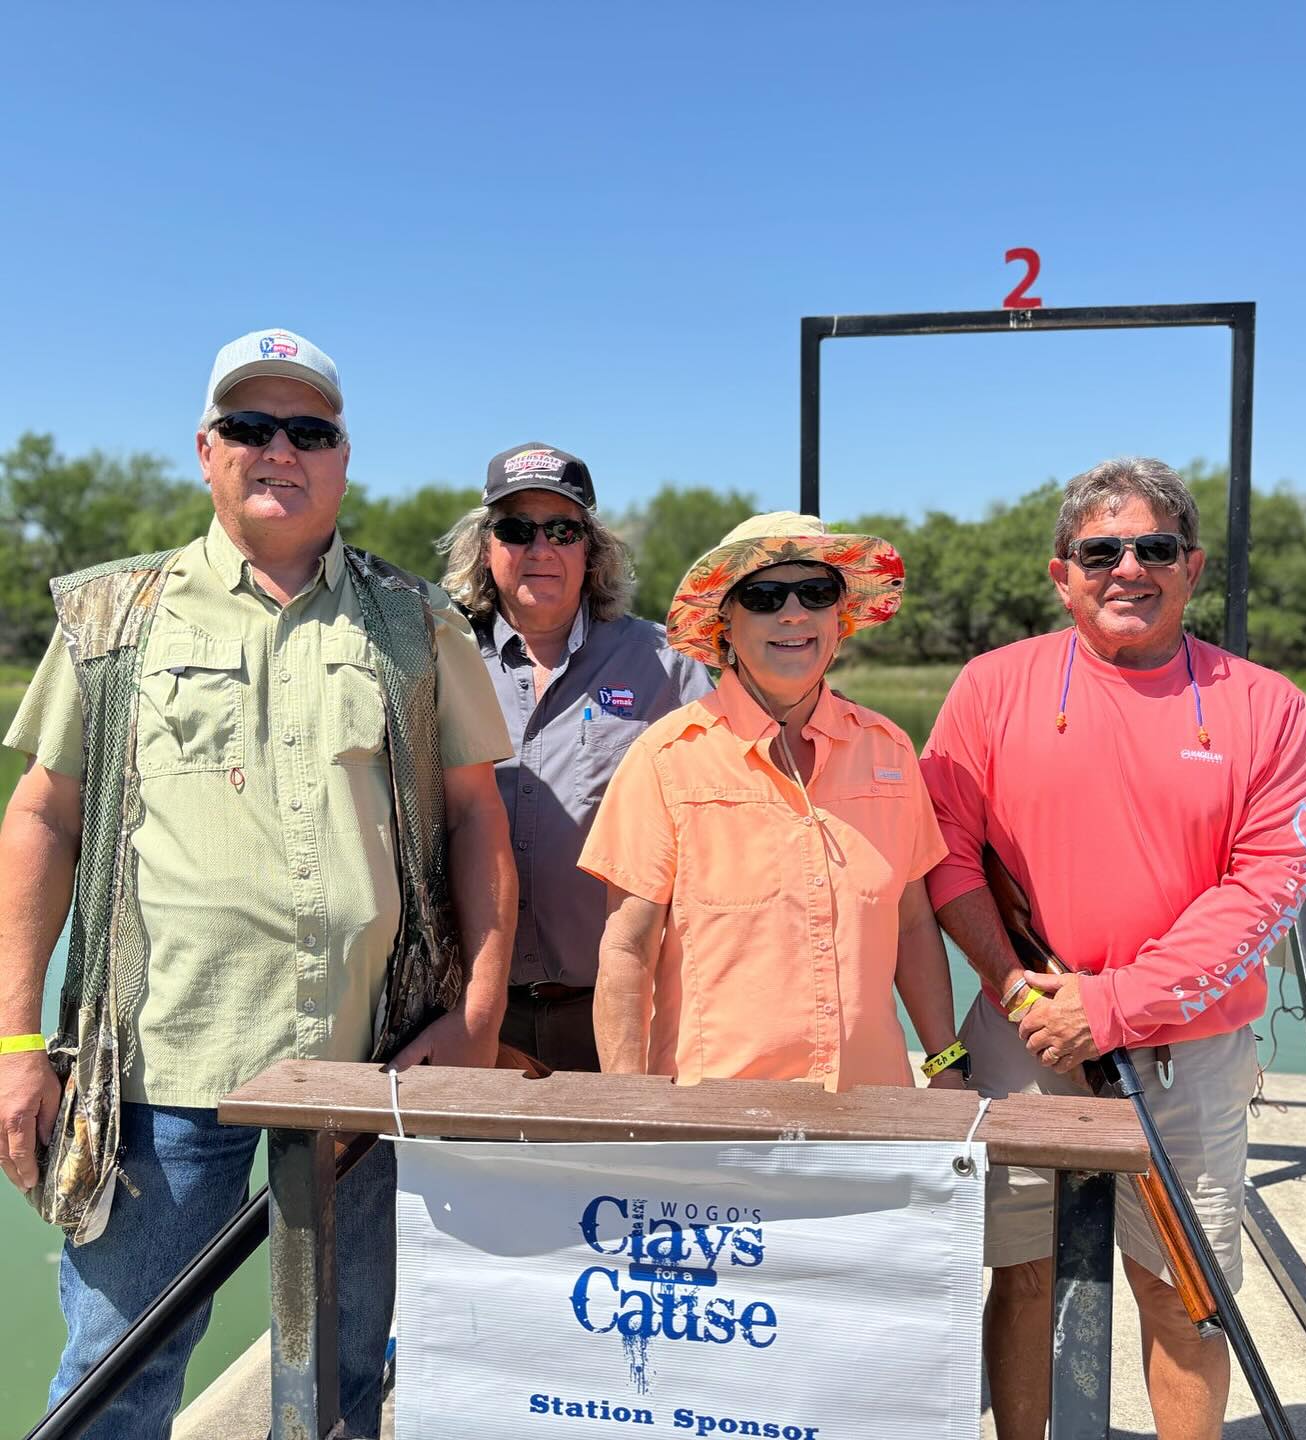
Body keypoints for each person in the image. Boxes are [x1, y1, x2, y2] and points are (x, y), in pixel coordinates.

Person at [0, 328, 518, 1439]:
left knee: (339, 1379)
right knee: (115, 1377)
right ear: (205, 451)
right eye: (249, 426)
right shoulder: (116, 617)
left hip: (365, 1075)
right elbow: (39, 817)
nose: (278, 449)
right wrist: (12, 1046)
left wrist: (474, 1018)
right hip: (155, 1077)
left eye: (308, 430)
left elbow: (478, 819)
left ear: (342, 458)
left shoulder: (419, 622)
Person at [919, 457, 1306, 1440]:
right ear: (1063, 574)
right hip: (1022, 1038)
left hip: (1188, 1055)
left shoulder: (1269, 706)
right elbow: (941, 855)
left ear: (1191, 568)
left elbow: (1266, 885)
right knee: (1016, 1278)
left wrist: (1110, 1006)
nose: (1127, 568)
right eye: (1100, 550)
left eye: (1152, 547)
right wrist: (1018, 991)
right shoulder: (988, 688)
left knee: (1183, 1296)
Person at [580, 511, 966, 1093]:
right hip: (713, 1128)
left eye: (815, 592)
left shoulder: (890, 750)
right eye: (763, 596)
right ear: (725, 625)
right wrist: (628, 1105)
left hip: (873, 1111)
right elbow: (628, 948)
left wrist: (945, 1066)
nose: (793, 613)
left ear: (841, 617)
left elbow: (912, 925)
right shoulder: (662, 757)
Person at [440, 444, 711, 1072]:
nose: (540, 550)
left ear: (591, 549)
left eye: (562, 530)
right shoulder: (439, 657)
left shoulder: (667, 664)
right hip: (466, 1017)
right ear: (486, 548)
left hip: (620, 1014)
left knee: (618, 1175)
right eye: (516, 530)